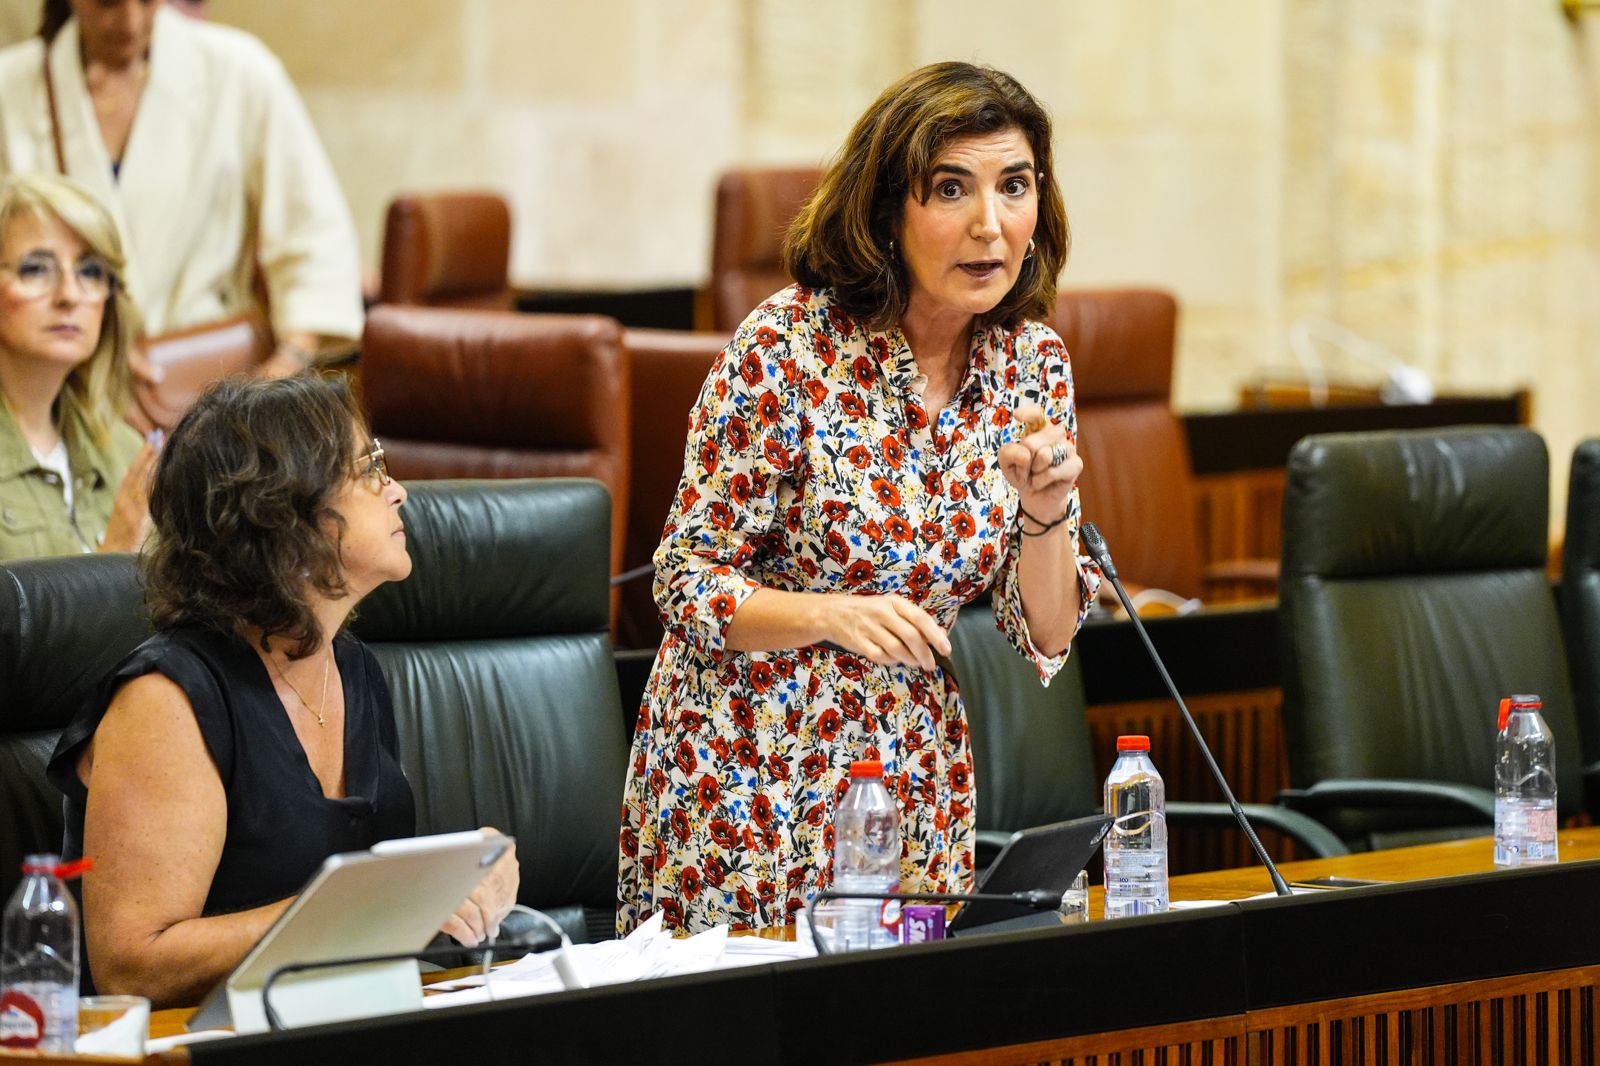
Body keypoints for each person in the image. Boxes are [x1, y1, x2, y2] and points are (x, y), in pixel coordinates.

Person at [618, 61, 1101, 935]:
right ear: (887, 212)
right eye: (951, 189)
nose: (990, 225)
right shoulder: (786, 347)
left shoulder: (1035, 365)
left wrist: (1045, 513)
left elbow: (1050, 636)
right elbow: (683, 580)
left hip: (914, 772)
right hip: (748, 772)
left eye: (1015, 186)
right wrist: (828, 614)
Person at [47, 375, 518, 1007]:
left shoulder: (351, 668)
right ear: (284, 513)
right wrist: (379, 902)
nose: (398, 491)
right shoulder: (167, 699)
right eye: (370, 470)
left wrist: (452, 881)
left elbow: (364, 911)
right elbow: (133, 967)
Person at [0, 0, 364, 376]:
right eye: (107, 1)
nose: (130, 20)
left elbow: (314, 237)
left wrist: (287, 365)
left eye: (146, 0)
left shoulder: (240, 72)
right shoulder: (11, 87)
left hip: (217, 385)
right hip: (55, 390)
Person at [0, 171, 152, 559]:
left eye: (89, 271)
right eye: (36, 268)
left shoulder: (123, 450)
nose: (69, 295)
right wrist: (111, 563)